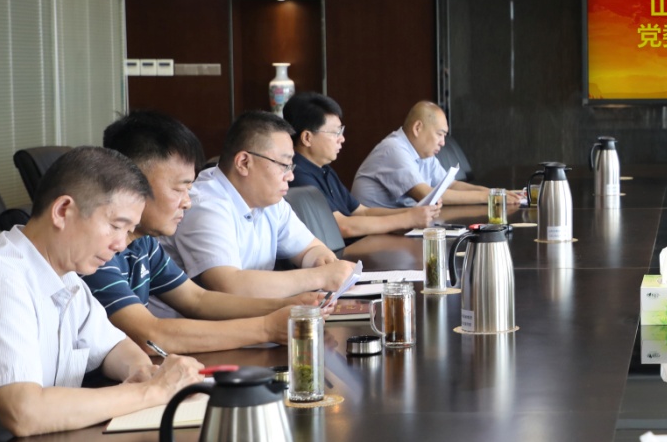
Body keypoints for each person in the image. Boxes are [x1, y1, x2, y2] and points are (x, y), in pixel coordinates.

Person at [0, 147, 203, 442]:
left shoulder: (68, 279)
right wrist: (152, 392)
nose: (121, 245)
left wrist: (145, 372)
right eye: (116, 226)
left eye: (129, 230)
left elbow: (115, 347)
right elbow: (23, 412)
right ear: (62, 211)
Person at [90, 111, 325, 351]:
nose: (187, 202)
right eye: (178, 189)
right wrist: (266, 327)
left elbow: (197, 300)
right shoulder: (97, 253)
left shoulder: (144, 244)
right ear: (131, 184)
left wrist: (290, 306)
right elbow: (152, 336)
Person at [166, 111, 357, 297]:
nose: (290, 176)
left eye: (291, 166)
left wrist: (322, 261)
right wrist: (319, 277)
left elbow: (309, 248)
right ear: (244, 162)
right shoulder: (205, 206)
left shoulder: (271, 201)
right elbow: (228, 285)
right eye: (283, 165)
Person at [283, 92, 440, 239]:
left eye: (341, 131)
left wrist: (414, 212)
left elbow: (361, 212)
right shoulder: (297, 175)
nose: (342, 139)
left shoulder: (324, 169)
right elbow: (341, 226)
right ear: (307, 138)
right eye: (335, 133)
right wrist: (407, 219)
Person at [352, 101, 515, 208]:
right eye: (439, 134)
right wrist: (489, 197)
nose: (443, 142)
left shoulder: (423, 154)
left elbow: (450, 185)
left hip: (398, 228)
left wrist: (494, 192)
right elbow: (429, 196)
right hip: (371, 237)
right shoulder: (394, 149)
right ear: (418, 128)